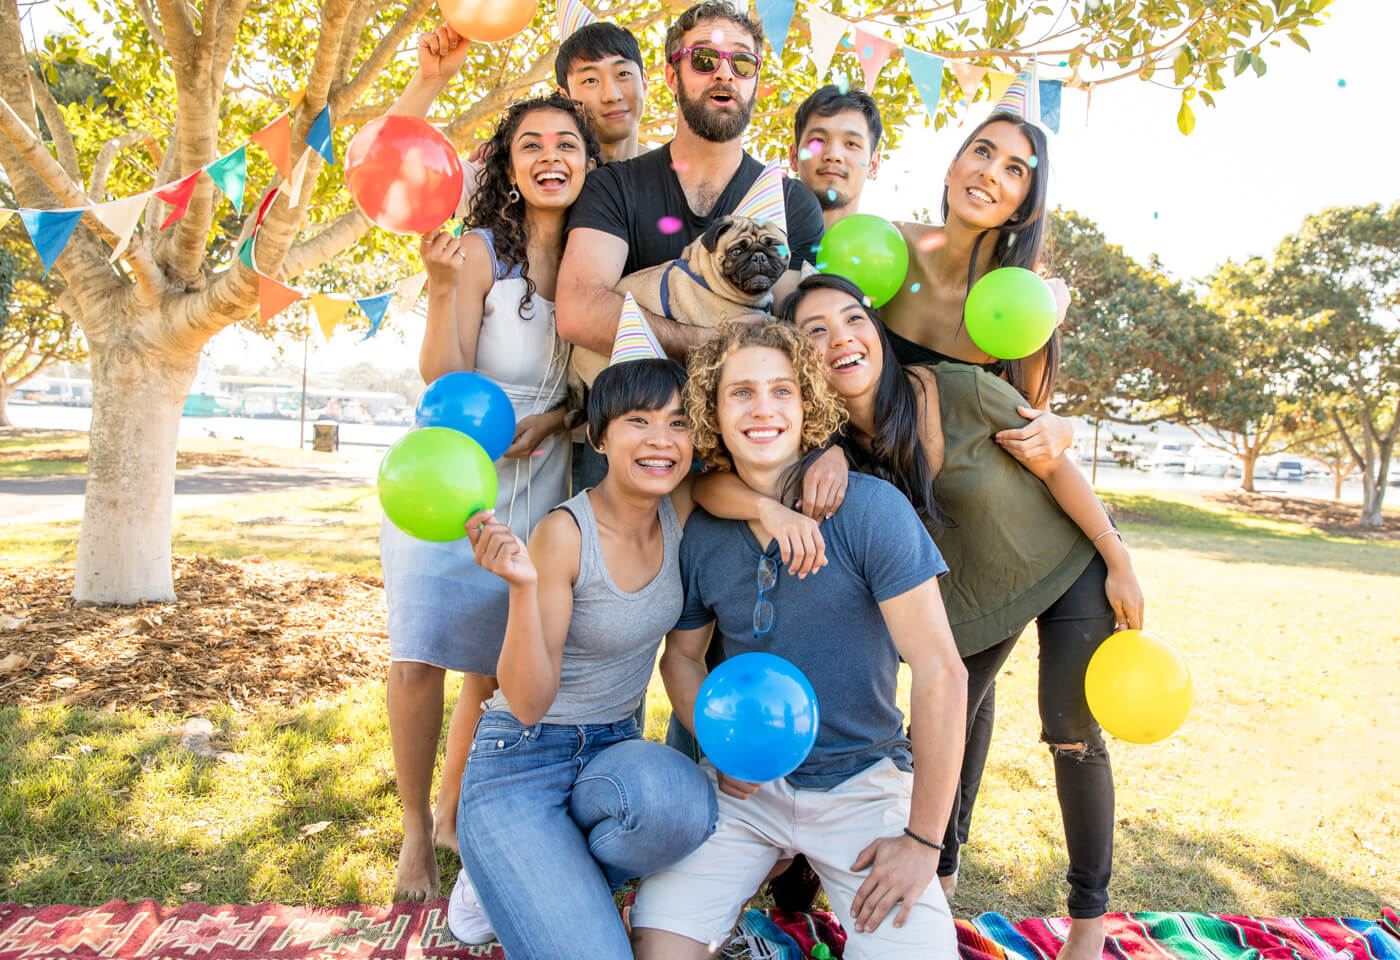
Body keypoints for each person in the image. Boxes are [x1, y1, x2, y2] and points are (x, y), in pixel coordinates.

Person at [767, 273, 1145, 960]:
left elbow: (1057, 464)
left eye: (852, 319)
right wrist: (823, 453)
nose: (840, 338)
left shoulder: (958, 388)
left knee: (1069, 732)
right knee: (945, 725)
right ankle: (940, 869)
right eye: (815, 331)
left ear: (877, 331)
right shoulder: (832, 449)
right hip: (974, 604)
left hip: (1064, 568)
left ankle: (1088, 921)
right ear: (797, 355)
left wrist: (1115, 556)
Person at [630, 321, 968, 960]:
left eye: (782, 391)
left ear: (807, 407)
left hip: (861, 782)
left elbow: (942, 671)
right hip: (745, 791)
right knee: (659, 951)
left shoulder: (870, 511)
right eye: (741, 394)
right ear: (712, 413)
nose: (763, 409)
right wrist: (718, 747)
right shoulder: (702, 533)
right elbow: (681, 656)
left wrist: (924, 841)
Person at [381, 93, 599, 901]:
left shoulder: (594, 259)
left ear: (587, 160)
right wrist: (440, 289)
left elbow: (591, 388)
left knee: (489, 665)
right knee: (418, 654)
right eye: (531, 143)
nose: (550, 156)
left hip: (539, 472)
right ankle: (413, 834)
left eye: (567, 143)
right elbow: (443, 371)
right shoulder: (477, 251)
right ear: (508, 165)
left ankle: (450, 817)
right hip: (448, 470)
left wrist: (550, 422)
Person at [449, 357, 717, 957]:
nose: (660, 440)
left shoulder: (678, 508)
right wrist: (522, 588)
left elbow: (727, 484)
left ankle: (549, 870)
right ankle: (497, 874)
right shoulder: (565, 533)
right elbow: (527, 700)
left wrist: (769, 509)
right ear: (597, 436)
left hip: (612, 753)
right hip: (521, 758)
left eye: (678, 424)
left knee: (683, 807)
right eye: (638, 421)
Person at [556, 0, 825, 364]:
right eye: (704, 59)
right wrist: (714, 342)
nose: (724, 75)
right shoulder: (613, 187)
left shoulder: (792, 203)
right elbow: (579, 312)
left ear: (756, 82)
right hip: (636, 413)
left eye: (742, 63)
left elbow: (791, 331)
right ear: (671, 76)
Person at [789, 85, 883, 231]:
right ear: (794, 157)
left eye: (851, 143)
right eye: (818, 140)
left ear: (873, 165)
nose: (833, 154)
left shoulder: (888, 249)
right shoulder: (756, 244)